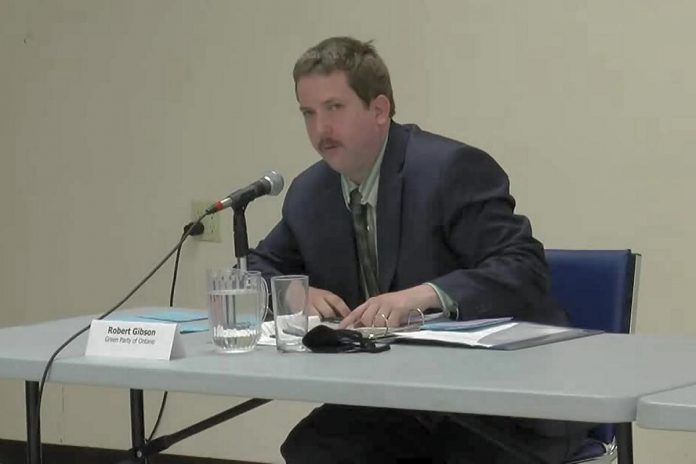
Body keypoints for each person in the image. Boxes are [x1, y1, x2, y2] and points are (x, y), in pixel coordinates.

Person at [247, 36, 590, 464]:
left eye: (334, 109)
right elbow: (257, 268)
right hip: (397, 398)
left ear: (379, 109)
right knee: (316, 448)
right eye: (308, 113)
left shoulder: (450, 170)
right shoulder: (310, 193)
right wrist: (294, 293)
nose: (321, 130)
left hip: (502, 402)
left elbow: (522, 267)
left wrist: (422, 295)